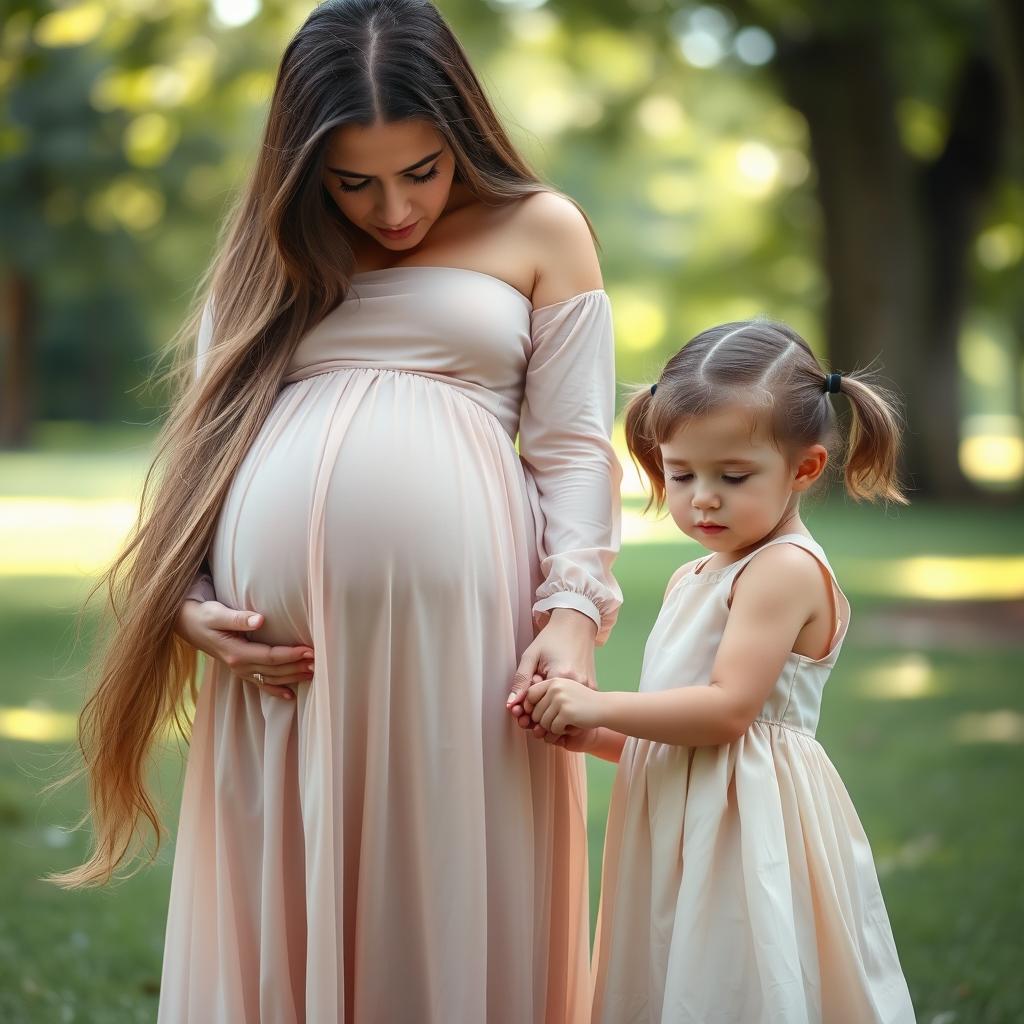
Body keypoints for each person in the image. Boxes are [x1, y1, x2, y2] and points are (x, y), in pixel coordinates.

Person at [52, 2, 621, 1021]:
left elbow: (575, 445)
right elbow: (205, 440)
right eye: (353, 181)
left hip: (465, 630)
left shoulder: (540, 226)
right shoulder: (271, 248)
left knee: (448, 859)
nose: (393, 210)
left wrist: (572, 613)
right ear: (304, 163)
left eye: (421, 171)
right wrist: (183, 597)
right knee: (293, 890)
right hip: (282, 660)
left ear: (463, 134)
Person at [518, 320, 916, 1022]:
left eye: (732, 476)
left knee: (734, 986)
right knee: (675, 980)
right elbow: (685, 740)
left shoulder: (783, 570)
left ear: (804, 469)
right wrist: (594, 736)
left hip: (746, 832)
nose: (702, 497)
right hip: (684, 826)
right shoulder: (693, 576)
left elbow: (728, 711)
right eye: (681, 474)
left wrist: (600, 706)